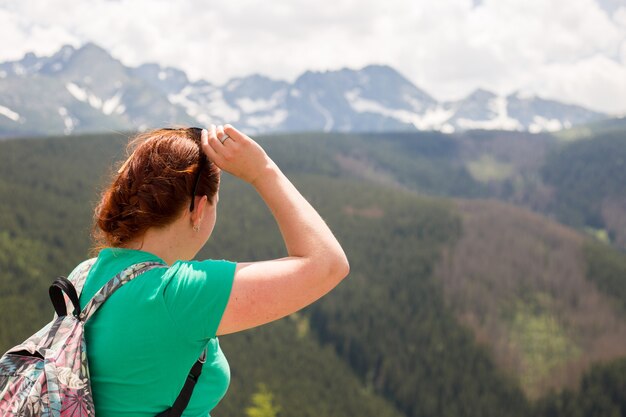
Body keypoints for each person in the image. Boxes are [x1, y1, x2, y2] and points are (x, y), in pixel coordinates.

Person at [77, 124, 350, 416]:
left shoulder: (84, 275)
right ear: (198, 208)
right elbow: (328, 265)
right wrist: (262, 171)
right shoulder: (178, 295)